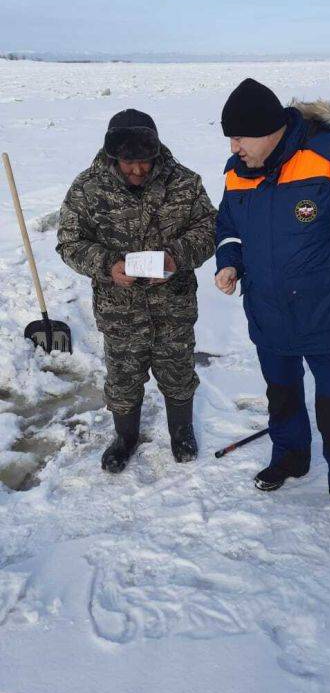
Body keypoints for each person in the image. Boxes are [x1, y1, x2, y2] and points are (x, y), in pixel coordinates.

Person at [215, 79, 330, 543]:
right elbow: (229, 224)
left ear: (272, 130)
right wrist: (229, 261)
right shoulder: (237, 170)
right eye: (230, 139)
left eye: (241, 137)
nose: (235, 148)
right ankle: (290, 458)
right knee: (281, 395)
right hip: (269, 313)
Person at [57, 109, 216, 472]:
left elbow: (210, 229)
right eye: (130, 162)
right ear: (114, 156)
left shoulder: (185, 183)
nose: (139, 170)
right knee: (123, 377)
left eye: (146, 161)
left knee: (177, 370)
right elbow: (69, 242)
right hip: (119, 311)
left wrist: (176, 257)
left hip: (173, 306)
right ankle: (125, 437)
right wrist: (107, 265)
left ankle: (181, 432)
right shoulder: (86, 189)